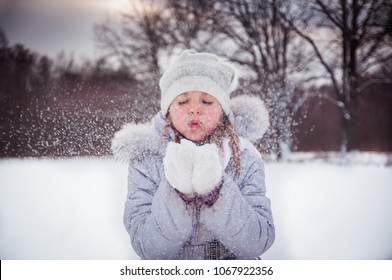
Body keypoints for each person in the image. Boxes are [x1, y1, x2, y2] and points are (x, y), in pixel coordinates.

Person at [112, 50, 275, 260]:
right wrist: (178, 195)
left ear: (223, 110)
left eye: (206, 101)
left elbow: (258, 241)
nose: (194, 110)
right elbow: (147, 247)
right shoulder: (146, 160)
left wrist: (217, 193)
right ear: (168, 110)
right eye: (182, 101)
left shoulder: (243, 156)